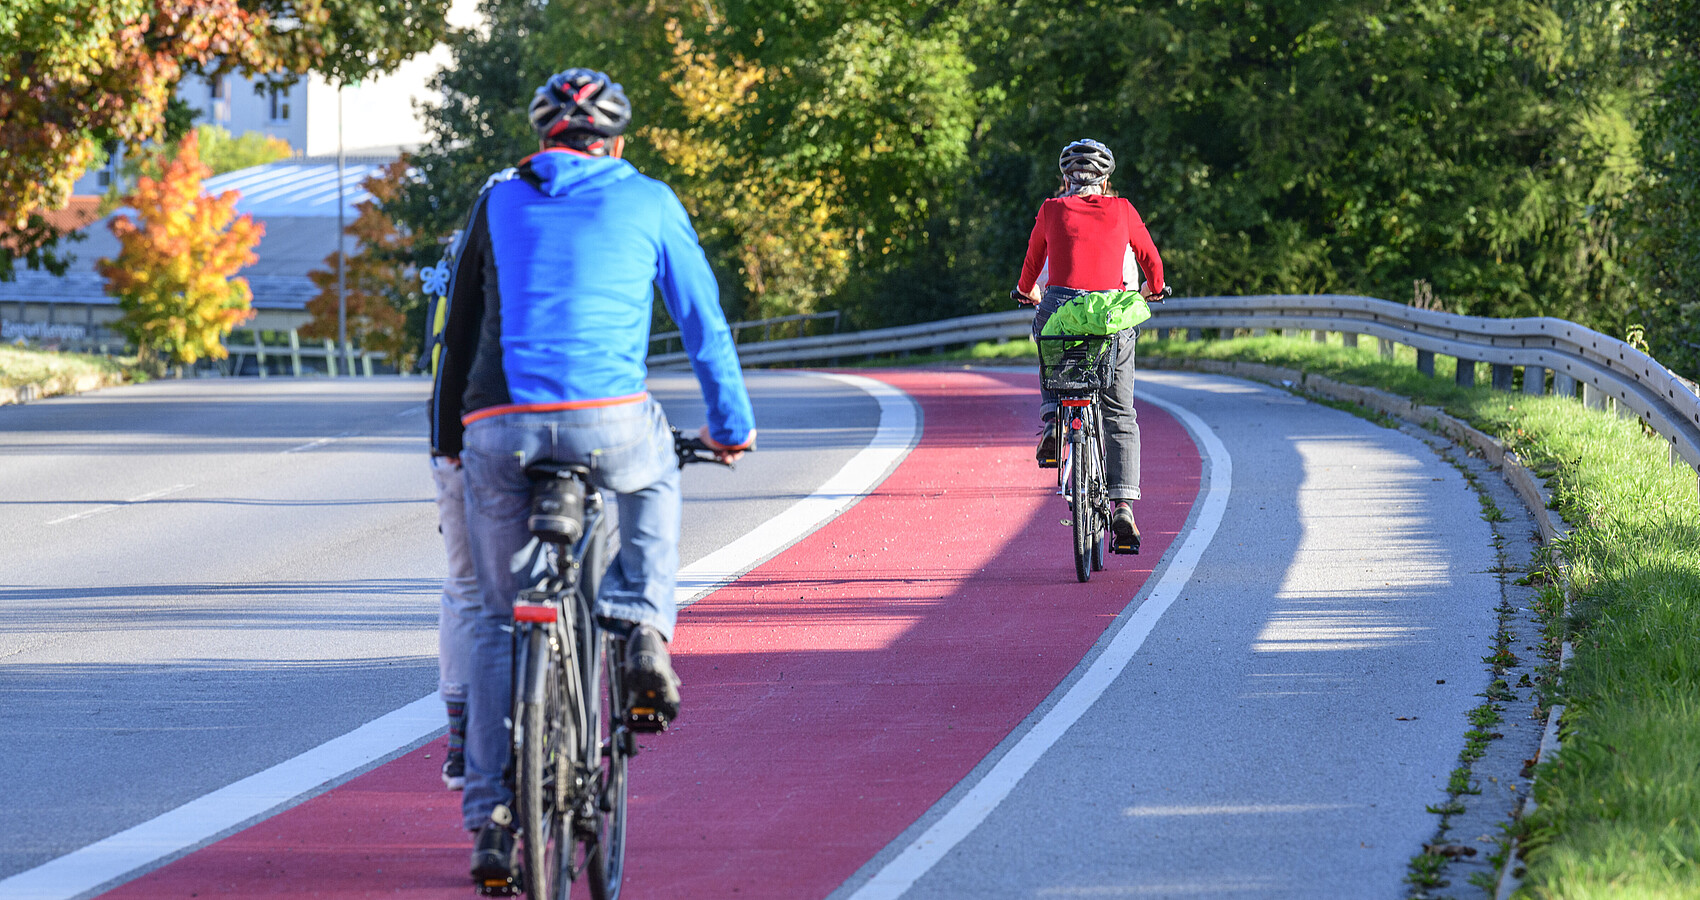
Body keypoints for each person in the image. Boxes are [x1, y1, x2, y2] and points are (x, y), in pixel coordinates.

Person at [429, 67, 757, 886]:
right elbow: (703, 321)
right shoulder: (650, 200)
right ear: (617, 142)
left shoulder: (498, 199)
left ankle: (493, 824)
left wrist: (447, 444)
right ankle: (643, 626)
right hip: (609, 418)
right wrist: (732, 428)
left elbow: (459, 330)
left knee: (502, 620)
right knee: (653, 476)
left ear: (543, 139)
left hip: (494, 429)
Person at [1015, 138, 1166, 552]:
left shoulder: (1051, 209)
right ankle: (1123, 508)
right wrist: (1156, 288)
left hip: (1062, 309)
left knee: (1044, 331)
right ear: (1106, 180)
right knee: (1120, 412)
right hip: (1109, 317)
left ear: (1065, 179)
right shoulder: (1123, 210)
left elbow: (1032, 264)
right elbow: (1150, 259)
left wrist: (1025, 290)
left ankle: (1051, 421)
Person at [422, 235, 478, 792]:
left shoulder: (472, 258)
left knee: (465, 585)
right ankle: (638, 634)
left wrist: (445, 457)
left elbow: (448, 364)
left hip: (472, 436)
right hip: (583, 430)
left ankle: (460, 734)